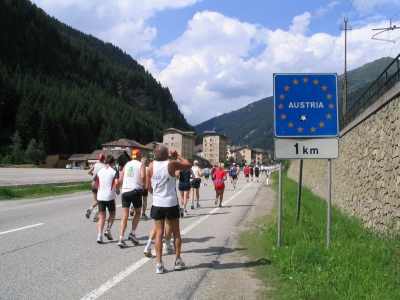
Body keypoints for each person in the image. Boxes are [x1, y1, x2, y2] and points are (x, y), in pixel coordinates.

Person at [146, 145, 191, 274]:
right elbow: (187, 165)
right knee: (176, 231)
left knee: (159, 233)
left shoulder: (150, 166)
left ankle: (159, 264)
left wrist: (156, 194)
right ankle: (177, 260)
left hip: (157, 203)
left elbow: (148, 186)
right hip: (170, 202)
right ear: (167, 155)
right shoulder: (171, 164)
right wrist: (177, 155)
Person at [117, 149, 146, 248]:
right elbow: (142, 176)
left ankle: (121, 238)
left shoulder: (126, 164)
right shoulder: (141, 165)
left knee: (124, 215)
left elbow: (120, 179)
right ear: (139, 156)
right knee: (138, 212)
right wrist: (145, 184)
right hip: (135, 191)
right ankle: (132, 233)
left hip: (125, 191)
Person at [92, 155, 120, 244]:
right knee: (112, 214)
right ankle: (108, 229)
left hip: (100, 196)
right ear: (113, 162)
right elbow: (116, 182)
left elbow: (93, 183)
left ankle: (99, 235)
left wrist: (100, 188)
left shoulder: (100, 171)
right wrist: (117, 190)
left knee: (102, 217)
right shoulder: (114, 171)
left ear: (105, 162)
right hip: (110, 196)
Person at [86, 153, 106, 222]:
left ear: (98, 158)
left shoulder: (95, 165)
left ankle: (91, 209)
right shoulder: (105, 166)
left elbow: (89, 172)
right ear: (104, 159)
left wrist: (93, 175)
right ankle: (95, 215)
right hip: (101, 186)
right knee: (100, 201)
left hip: (94, 184)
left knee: (96, 200)